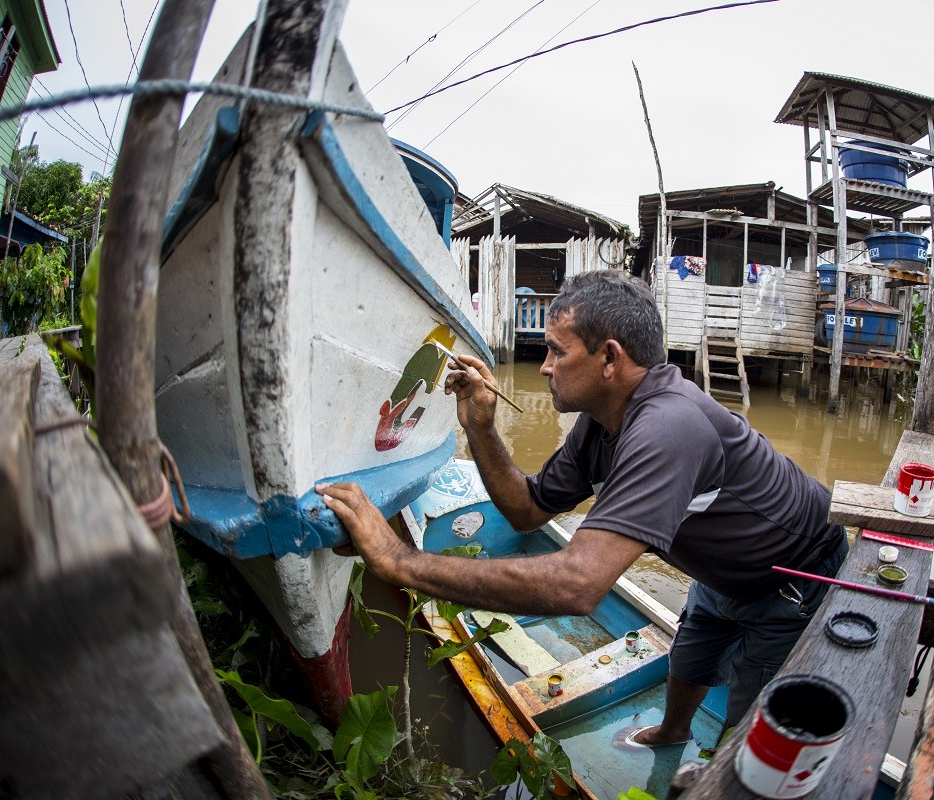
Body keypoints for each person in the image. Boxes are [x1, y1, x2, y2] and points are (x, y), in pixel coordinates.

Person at [317, 269, 848, 746]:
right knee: (690, 658)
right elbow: (527, 510)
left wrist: (398, 561)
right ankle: (671, 732)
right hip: (721, 570)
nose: (543, 367)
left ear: (610, 359)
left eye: (555, 351)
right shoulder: (601, 420)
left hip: (791, 579)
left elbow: (578, 585)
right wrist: (479, 426)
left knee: (750, 730)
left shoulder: (668, 426)